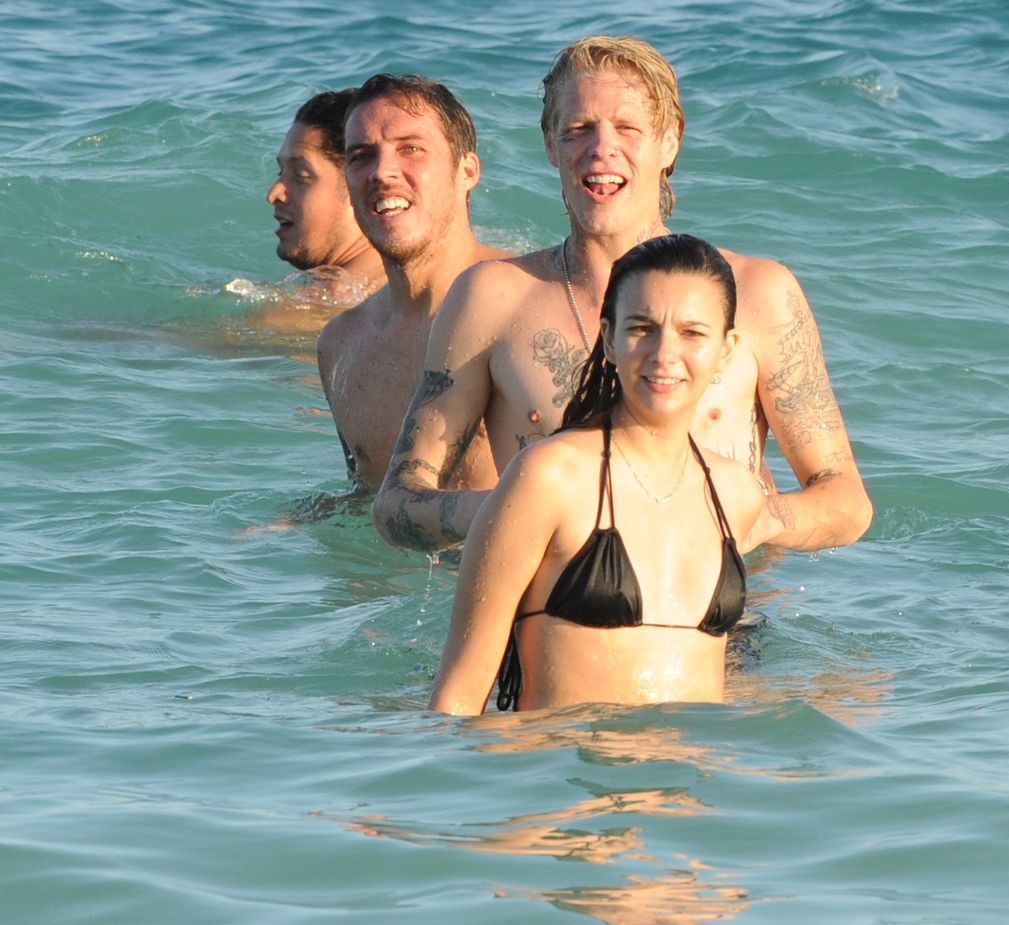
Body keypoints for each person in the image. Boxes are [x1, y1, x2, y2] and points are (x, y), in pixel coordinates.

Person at [374, 35, 871, 553]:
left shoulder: (757, 294)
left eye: (627, 128)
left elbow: (846, 502)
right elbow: (397, 505)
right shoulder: (492, 299)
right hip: (554, 600)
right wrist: (527, 507)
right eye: (578, 130)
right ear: (549, 144)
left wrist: (750, 517)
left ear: (670, 141)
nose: (601, 148)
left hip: (723, 601)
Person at [430, 234, 774, 714]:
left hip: (698, 762)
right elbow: (457, 697)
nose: (664, 353)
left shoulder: (736, 495)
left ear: (726, 349)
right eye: (642, 328)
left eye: (692, 333)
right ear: (609, 339)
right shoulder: (550, 478)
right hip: (564, 761)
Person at [316, 74, 510, 490]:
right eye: (361, 156)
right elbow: (365, 499)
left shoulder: (536, 299)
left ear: (467, 171)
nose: (382, 172)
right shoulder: (341, 345)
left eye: (410, 149)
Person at [262, 89, 385, 315]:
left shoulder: (329, 305)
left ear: (358, 186)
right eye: (281, 172)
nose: (273, 194)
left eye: (301, 175)